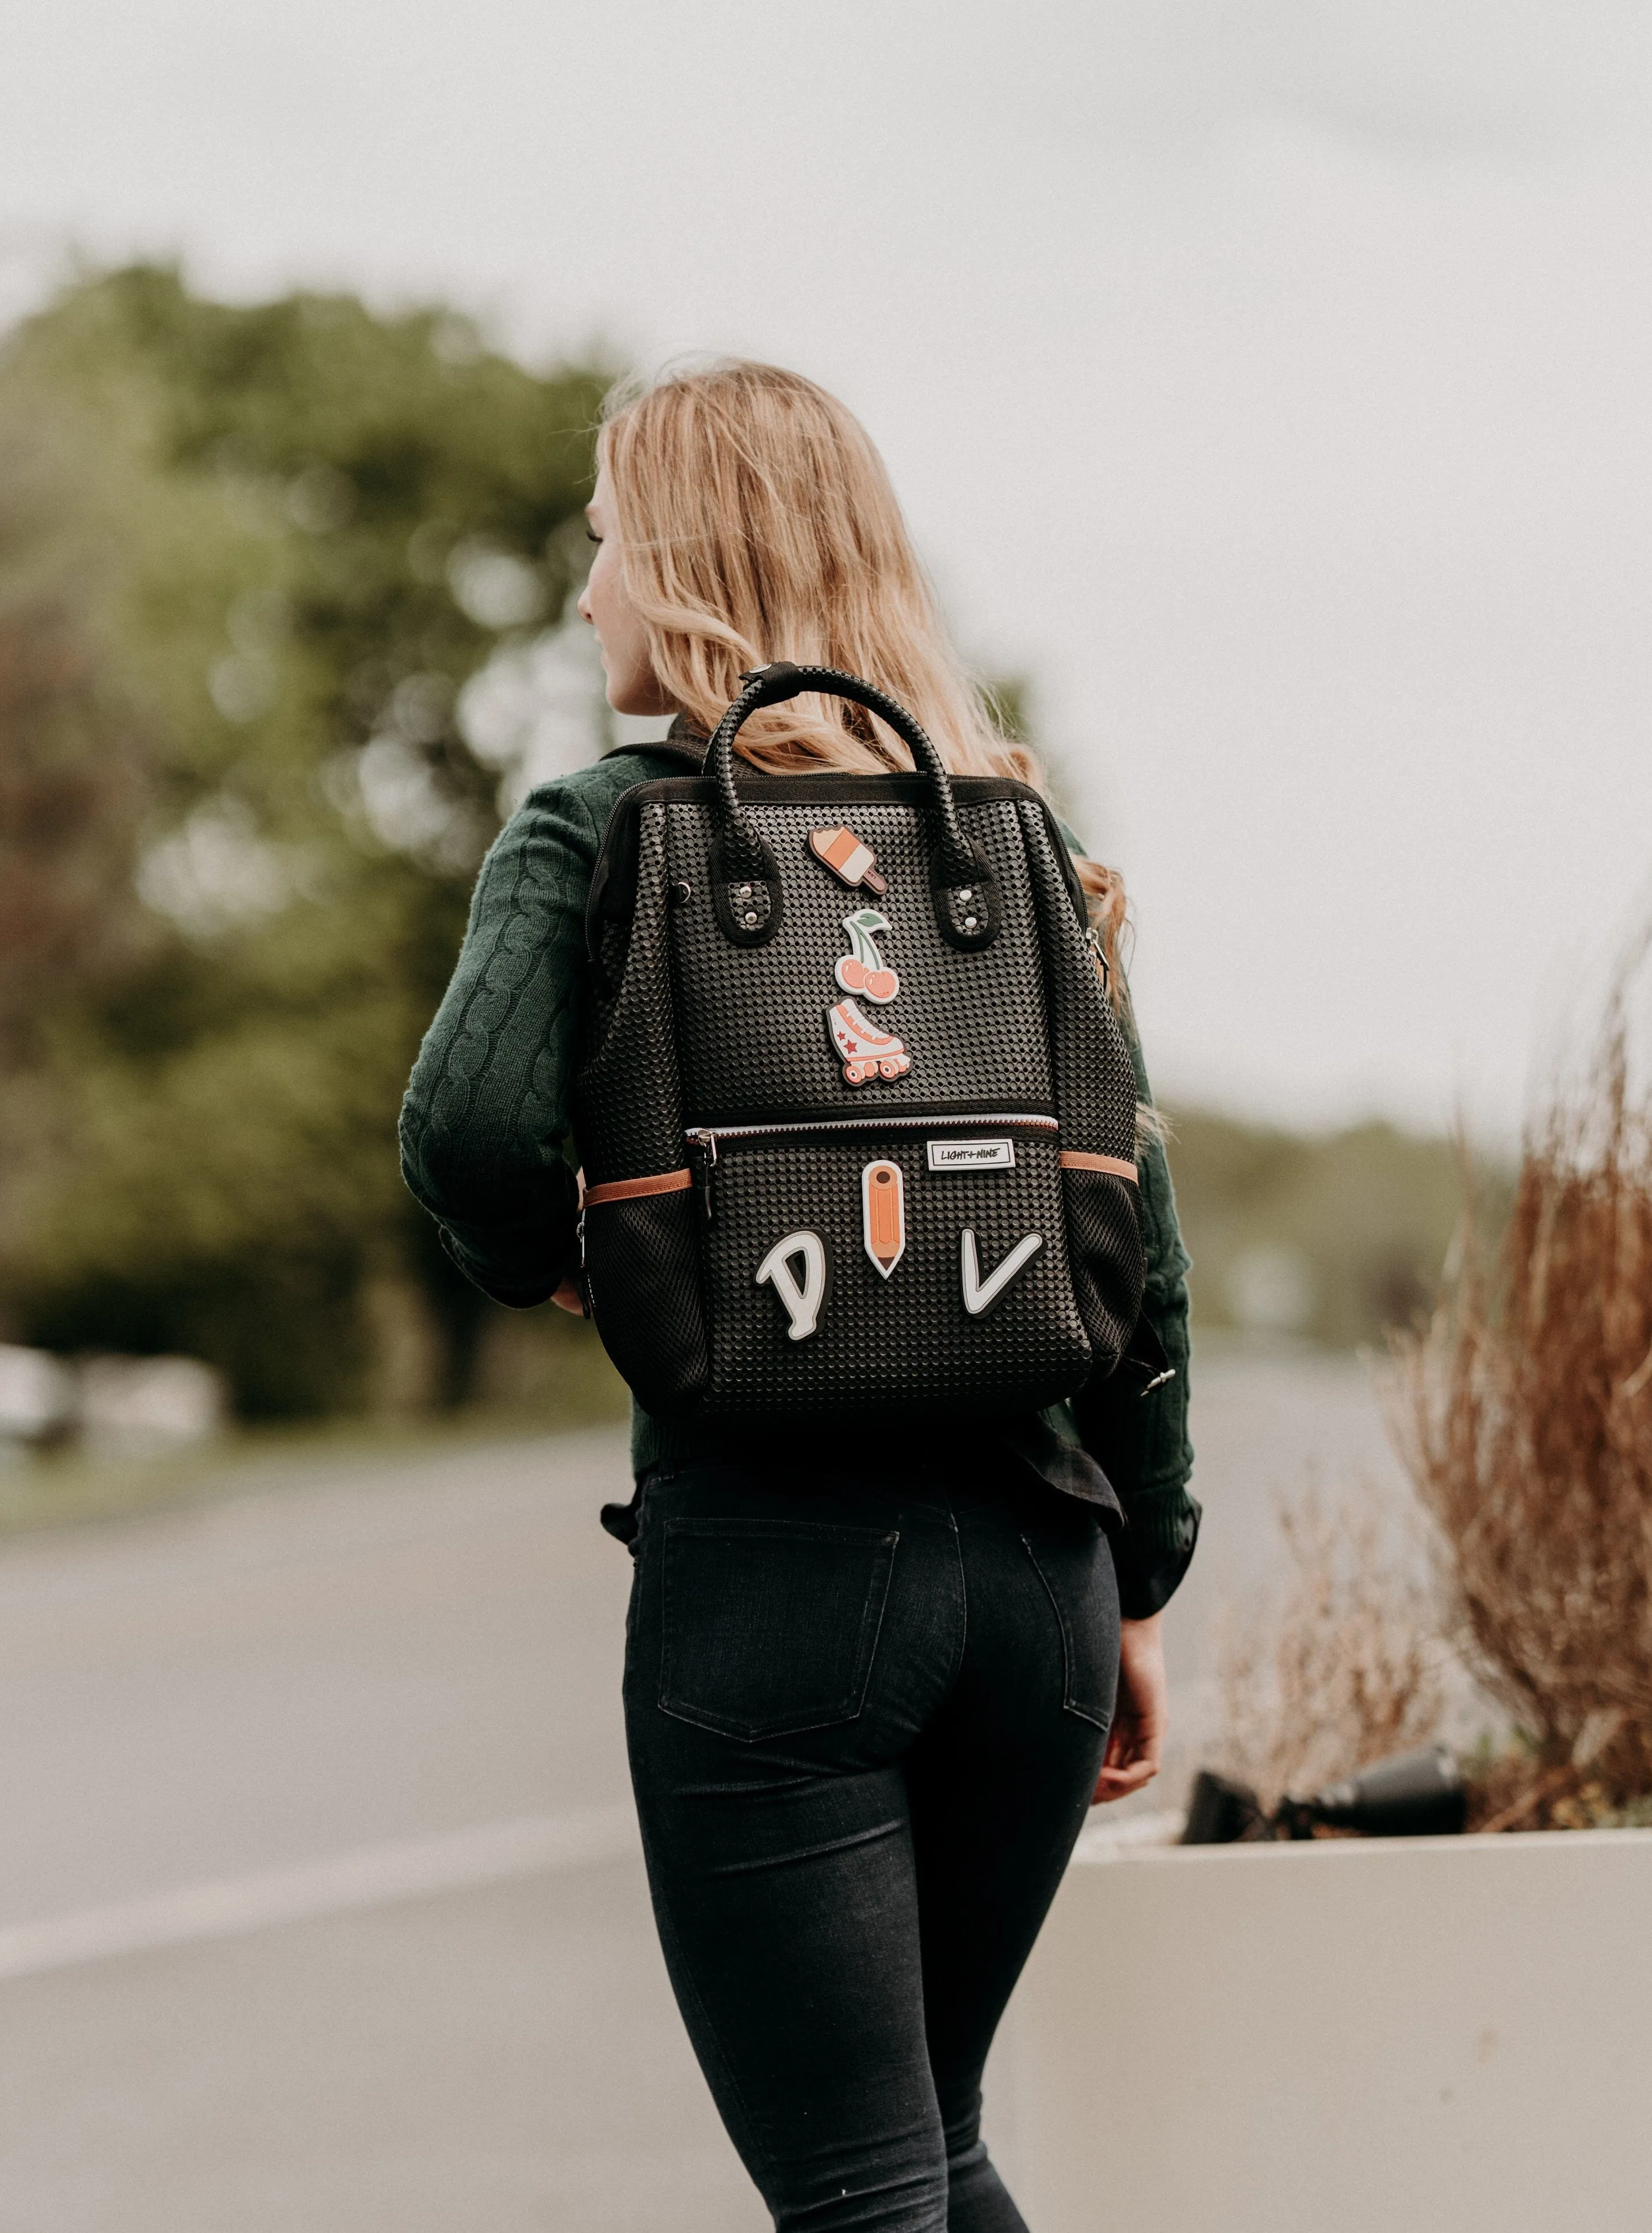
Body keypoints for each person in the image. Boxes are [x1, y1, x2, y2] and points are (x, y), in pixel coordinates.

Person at [400, 360, 1196, 2232]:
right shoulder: (1008, 835)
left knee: (861, 2190)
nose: (590, 588)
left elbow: (465, 1131)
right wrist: (1139, 1573)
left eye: (604, 545)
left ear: (676, 564)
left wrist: (574, 1271)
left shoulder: (604, 832)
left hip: (776, 1582)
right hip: (1037, 1585)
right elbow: (1136, 1240)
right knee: (931, 2143)